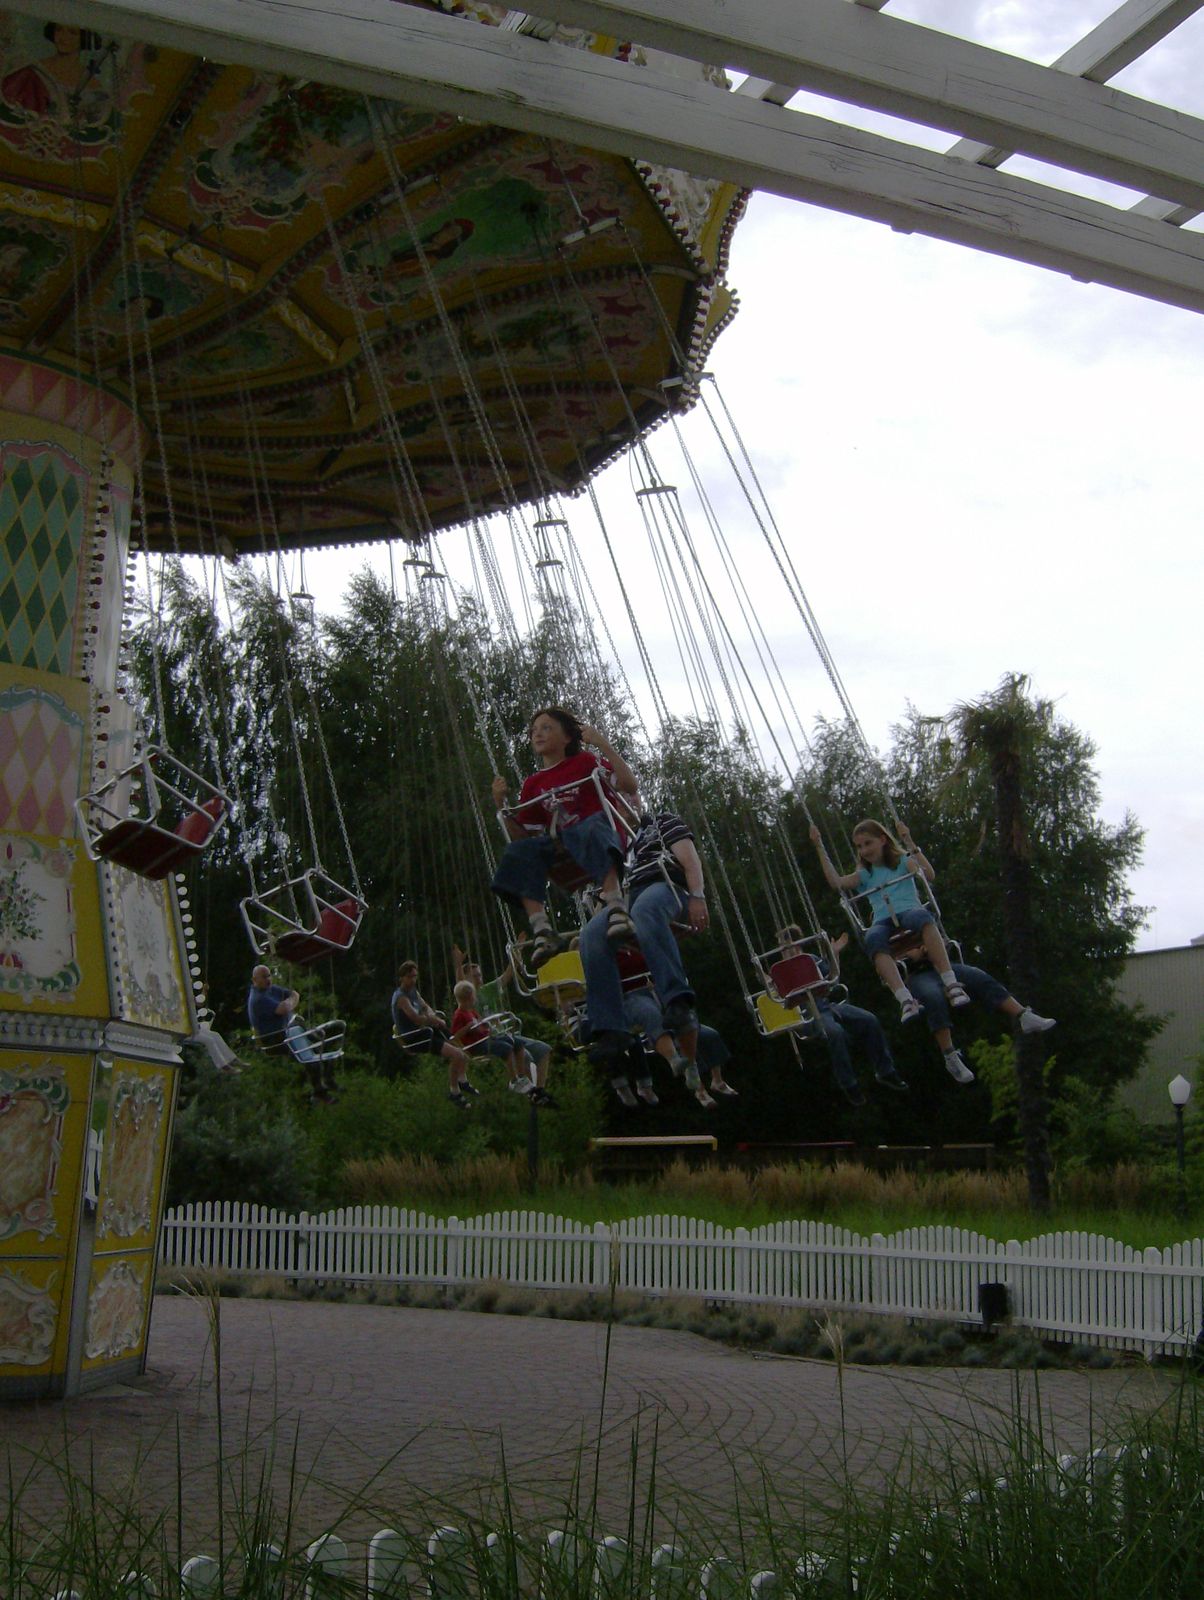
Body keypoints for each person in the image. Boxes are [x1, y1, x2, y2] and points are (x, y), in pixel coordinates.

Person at [491, 706, 638, 965]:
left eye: (547, 728)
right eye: (534, 731)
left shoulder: (585, 762)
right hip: (563, 845)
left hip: (595, 832)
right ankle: (542, 928)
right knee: (516, 852)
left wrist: (602, 744)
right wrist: (501, 805)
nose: (538, 734)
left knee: (590, 826)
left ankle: (616, 905)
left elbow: (629, 785)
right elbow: (523, 837)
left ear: (567, 737)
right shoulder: (533, 784)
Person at [580, 808, 708, 1082]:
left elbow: (690, 859)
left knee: (645, 910)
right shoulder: (615, 837)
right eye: (619, 796)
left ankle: (677, 999)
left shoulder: (660, 823)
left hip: (665, 887)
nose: (627, 801)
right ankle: (610, 1027)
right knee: (591, 934)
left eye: (631, 795)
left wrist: (698, 896)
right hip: (628, 897)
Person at [809, 819, 970, 1023]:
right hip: (882, 920)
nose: (864, 850)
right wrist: (819, 846)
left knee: (923, 918)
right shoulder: (865, 874)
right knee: (873, 938)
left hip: (909, 910)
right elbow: (836, 883)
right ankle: (904, 999)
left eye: (868, 843)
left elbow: (928, 874)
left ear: (883, 840)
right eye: (859, 846)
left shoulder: (902, 861)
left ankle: (951, 982)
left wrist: (908, 840)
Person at [772, 929, 908, 1107]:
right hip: (808, 1014)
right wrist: (769, 983)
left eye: (788, 946)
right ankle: (849, 1084)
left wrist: (834, 954)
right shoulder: (781, 971)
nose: (785, 951)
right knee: (835, 1032)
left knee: (869, 1020)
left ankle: (885, 1070)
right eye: (782, 947)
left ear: (797, 945)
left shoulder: (810, 960)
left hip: (828, 1007)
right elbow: (779, 997)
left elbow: (832, 979)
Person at [904, 957, 1056, 1083]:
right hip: (918, 974)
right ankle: (950, 1056)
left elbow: (941, 942)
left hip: (943, 967)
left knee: (979, 976)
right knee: (933, 997)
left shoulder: (927, 927)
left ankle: (1023, 1015)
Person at [451, 945, 558, 1108]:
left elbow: (508, 974)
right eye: (474, 976)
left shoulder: (489, 989)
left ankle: (539, 1090)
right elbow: (461, 986)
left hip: (505, 1034)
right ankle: (526, 1088)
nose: (479, 978)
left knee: (543, 1049)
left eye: (479, 975)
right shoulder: (468, 998)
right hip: (490, 1038)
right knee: (525, 1055)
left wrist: (516, 952)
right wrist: (458, 965)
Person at [246, 965, 339, 1103]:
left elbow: (294, 994)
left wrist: (289, 1003)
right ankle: (319, 1091)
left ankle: (328, 1080)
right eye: (264, 977)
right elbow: (283, 1009)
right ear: (255, 980)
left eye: (269, 975)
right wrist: (289, 1004)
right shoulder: (258, 998)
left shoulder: (271, 989)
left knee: (320, 1039)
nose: (268, 979)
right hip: (274, 1039)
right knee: (309, 1050)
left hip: (289, 1030)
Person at [391, 960, 474, 1109]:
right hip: (415, 1037)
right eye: (409, 977)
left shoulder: (413, 992)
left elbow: (425, 1006)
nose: (413, 980)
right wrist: (432, 1019)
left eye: (415, 976)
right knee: (456, 1055)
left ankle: (463, 1078)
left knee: (458, 1047)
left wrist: (432, 1017)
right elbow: (415, 1018)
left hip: (425, 1031)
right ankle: (455, 1092)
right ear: (402, 978)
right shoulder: (401, 997)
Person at [188, 983, 244, 1075]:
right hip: (186, 1031)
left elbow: (199, 1003)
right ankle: (223, 1066)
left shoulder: (186, 993)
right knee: (209, 1040)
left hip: (192, 1028)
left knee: (215, 1035)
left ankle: (232, 1059)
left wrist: (204, 991)